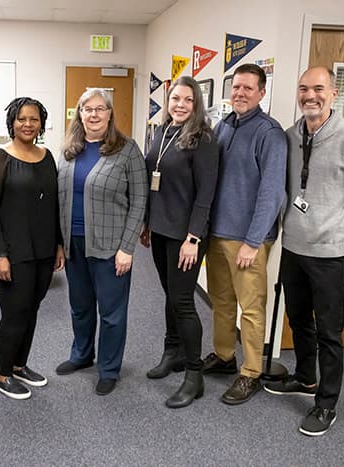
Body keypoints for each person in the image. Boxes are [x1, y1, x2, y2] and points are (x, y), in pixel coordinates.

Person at [264, 66, 344, 436]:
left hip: (330, 253)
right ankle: (305, 377)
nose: (309, 96)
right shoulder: (288, 136)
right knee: (299, 320)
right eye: (303, 89)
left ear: (334, 93)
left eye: (318, 89)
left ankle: (326, 403)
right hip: (294, 247)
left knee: (330, 330)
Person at [55, 88, 148, 396]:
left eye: (99, 109)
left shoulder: (127, 150)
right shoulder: (70, 150)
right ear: (79, 114)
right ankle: (82, 355)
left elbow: (139, 201)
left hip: (110, 247)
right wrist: (59, 242)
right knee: (80, 306)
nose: (93, 115)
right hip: (74, 244)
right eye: (87, 109)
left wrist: (127, 248)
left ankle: (109, 368)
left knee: (111, 312)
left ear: (110, 114)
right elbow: (60, 197)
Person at [204, 63, 287, 405]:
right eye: (236, 87)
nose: (239, 93)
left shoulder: (270, 133)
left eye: (247, 89)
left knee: (250, 308)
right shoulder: (224, 125)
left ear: (262, 93)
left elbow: (272, 192)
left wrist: (253, 242)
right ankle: (225, 357)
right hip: (217, 233)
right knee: (221, 301)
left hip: (247, 239)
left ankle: (250, 372)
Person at [141, 76, 219, 408]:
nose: (180, 105)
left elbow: (206, 194)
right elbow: (152, 179)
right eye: (175, 98)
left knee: (184, 301)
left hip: (185, 235)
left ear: (196, 103)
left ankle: (193, 374)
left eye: (188, 100)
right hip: (160, 230)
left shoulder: (203, 139)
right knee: (171, 296)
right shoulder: (162, 131)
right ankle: (171, 352)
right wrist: (147, 222)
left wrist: (193, 237)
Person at [0, 97, 64, 400]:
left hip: (42, 249)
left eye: (34, 119)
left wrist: (58, 244)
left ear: (41, 123)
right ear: (12, 122)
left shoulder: (47, 156)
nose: (28, 125)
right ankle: (1, 374)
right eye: (21, 119)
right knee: (15, 313)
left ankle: (19, 365)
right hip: (11, 252)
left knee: (31, 310)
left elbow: (53, 205)